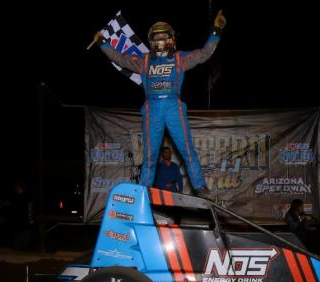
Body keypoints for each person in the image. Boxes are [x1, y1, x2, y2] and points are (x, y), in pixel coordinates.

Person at [93, 11, 227, 197]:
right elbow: (120, 58)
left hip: (174, 107)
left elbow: (204, 54)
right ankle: (144, 191)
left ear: (171, 38)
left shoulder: (180, 58)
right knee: (149, 155)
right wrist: (103, 43)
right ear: (152, 40)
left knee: (187, 149)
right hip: (152, 109)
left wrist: (216, 31)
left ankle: (200, 186)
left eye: (165, 36)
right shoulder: (144, 60)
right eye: (158, 37)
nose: (161, 39)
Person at [8, 181, 34, 251]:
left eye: (16, 186)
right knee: (22, 244)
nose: (15, 188)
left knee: (21, 244)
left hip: (23, 224)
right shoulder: (16, 196)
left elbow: (30, 209)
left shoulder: (24, 196)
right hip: (19, 224)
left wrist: (30, 219)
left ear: (19, 186)